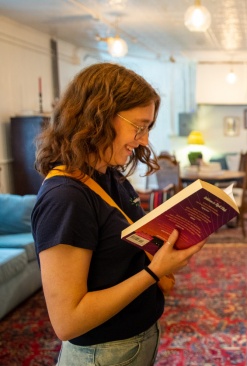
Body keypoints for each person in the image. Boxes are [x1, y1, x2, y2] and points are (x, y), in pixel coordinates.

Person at [31, 62, 205, 366]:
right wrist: (153, 272)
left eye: (148, 127)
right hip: (102, 354)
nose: (144, 140)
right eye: (139, 126)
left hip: (133, 342)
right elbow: (67, 322)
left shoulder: (108, 176)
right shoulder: (65, 199)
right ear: (97, 116)